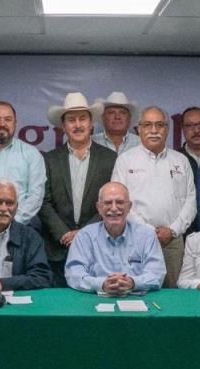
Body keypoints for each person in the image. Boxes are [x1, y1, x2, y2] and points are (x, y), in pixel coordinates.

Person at [110, 106, 195, 288]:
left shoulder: (181, 161)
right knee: (135, 289)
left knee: (173, 295)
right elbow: (119, 203)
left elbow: (190, 201)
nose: (154, 130)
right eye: (148, 125)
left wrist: (172, 230)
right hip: (136, 239)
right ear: (139, 129)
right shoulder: (125, 160)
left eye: (160, 125)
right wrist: (148, 231)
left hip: (172, 241)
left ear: (167, 129)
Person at [39, 92, 116, 286]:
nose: (78, 125)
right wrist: (63, 233)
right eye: (71, 120)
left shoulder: (110, 159)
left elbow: (112, 203)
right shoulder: (50, 159)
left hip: (97, 247)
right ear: (63, 126)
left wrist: (83, 233)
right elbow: (43, 202)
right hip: (57, 248)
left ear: (91, 123)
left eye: (83, 119)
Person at [65, 182, 165, 295]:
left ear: (129, 207)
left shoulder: (147, 235)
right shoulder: (84, 236)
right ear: (99, 207)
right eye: (108, 203)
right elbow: (73, 274)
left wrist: (133, 282)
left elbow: (157, 273)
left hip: (135, 298)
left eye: (120, 202)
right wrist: (102, 284)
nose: (113, 208)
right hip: (94, 299)